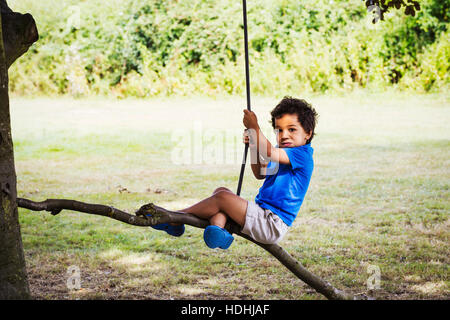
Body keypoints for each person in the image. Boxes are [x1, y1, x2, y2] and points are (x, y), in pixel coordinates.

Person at [150, 96, 318, 249]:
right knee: (221, 191)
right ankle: (218, 230)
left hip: (272, 223)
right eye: (279, 130)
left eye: (292, 130)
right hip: (262, 214)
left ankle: (175, 218)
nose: (284, 135)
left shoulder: (302, 155)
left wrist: (254, 127)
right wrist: (253, 144)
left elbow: (268, 153)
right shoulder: (280, 151)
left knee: (222, 199)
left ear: (308, 133)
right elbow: (260, 172)